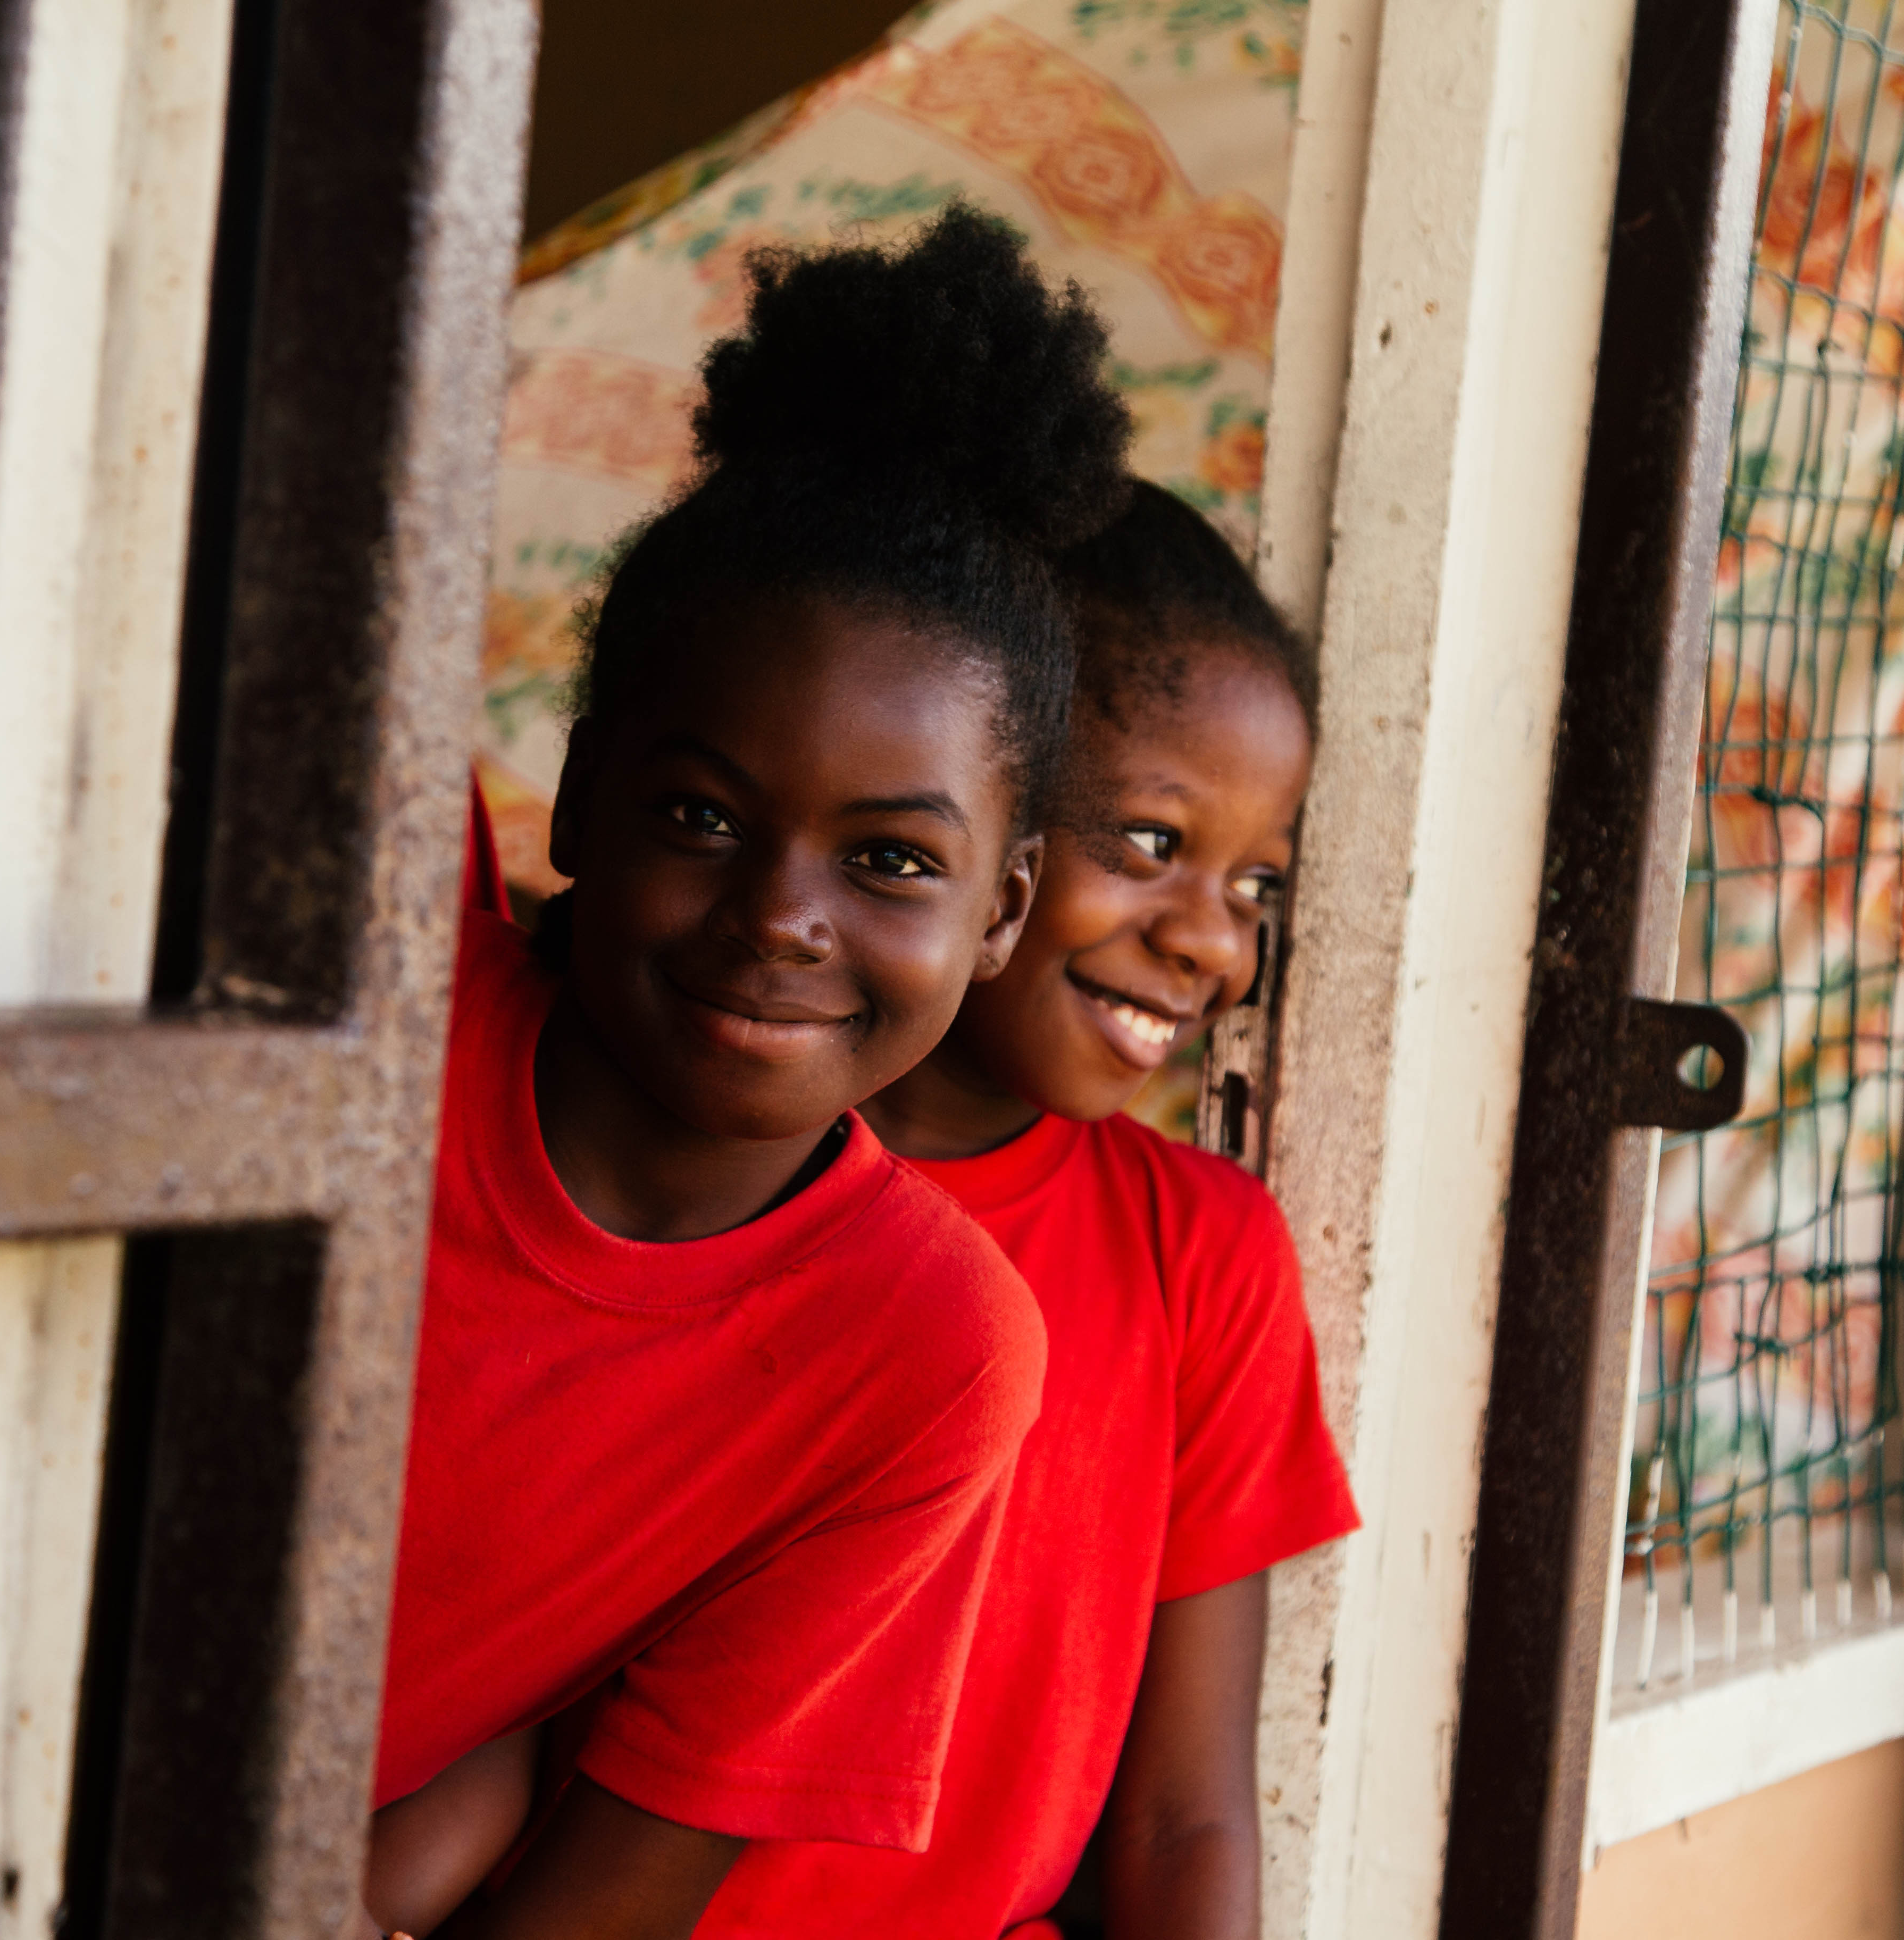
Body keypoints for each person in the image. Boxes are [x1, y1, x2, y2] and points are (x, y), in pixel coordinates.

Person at [355, 206, 1135, 1940]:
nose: (783, 918)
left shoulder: (926, 1358)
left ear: (1004, 912)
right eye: (703, 817)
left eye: (893, 863)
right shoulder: (375, 1001)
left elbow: (599, 1898)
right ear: (574, 798)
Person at [681, 482, 1358, 1938]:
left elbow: (1189, 1819)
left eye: (1256, 884)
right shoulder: (687, 1170)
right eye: (1151, 843)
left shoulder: (1205, 1259)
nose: (1210, 942)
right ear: (987, 836)